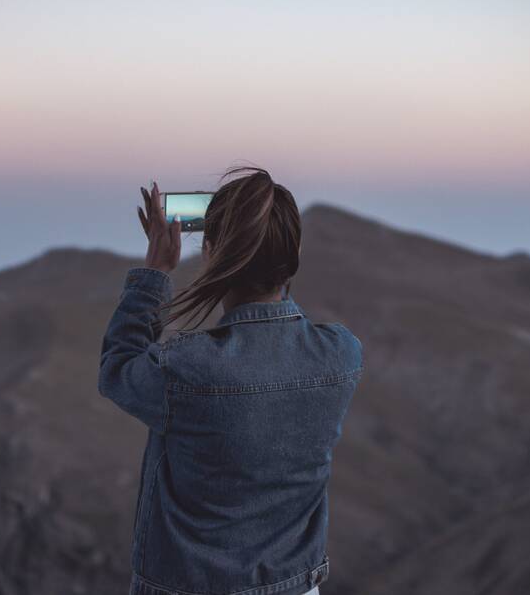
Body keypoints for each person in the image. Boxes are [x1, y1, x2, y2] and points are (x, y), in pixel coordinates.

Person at [99, 165, 363, 595]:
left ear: (211, 253)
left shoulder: (186, 367)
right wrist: (262, 248)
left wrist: (156, 272)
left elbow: (117, 368)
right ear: (291, 257)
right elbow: (278, 321)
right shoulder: (340, 354)